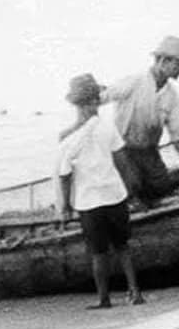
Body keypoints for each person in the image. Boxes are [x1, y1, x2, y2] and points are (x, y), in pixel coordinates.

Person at [63, 36, 179, 207]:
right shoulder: (134, 82)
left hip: (149, 152)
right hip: (124, 151)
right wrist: (79, 125)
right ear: (163, 60)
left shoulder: (171, 96)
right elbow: (100, 98)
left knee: (162, 188)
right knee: (132, 190)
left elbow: (178, 133)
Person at [56, 73, 144, 309]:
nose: (96, 104)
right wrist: (132, 192)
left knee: (98, 253)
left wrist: (65, 206)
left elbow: (64, 174)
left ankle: (104, 299)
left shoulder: (66, 137)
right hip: (114, 195)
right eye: (94, 100)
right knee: (123, 247)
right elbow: (122, 162)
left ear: (76, 104)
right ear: (91, 102)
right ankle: (135, 292)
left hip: (89, 201)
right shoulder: (107, 127)